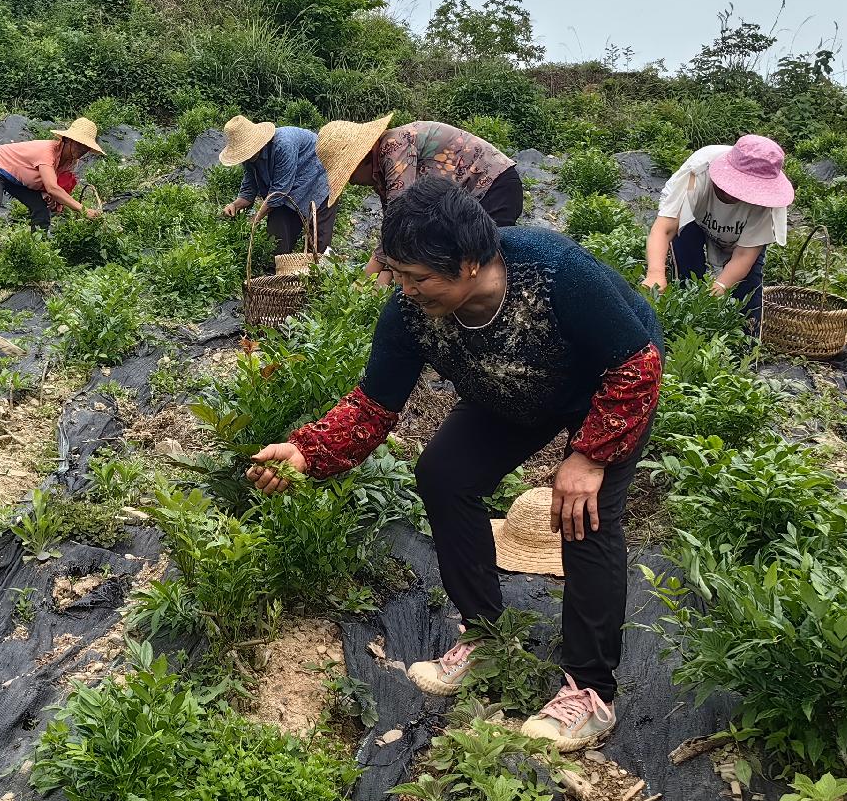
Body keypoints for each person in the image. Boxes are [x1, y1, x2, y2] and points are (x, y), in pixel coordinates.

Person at [247, 177, 663, 751]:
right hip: (514, 387)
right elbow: (374, 403)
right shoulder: (410, 312)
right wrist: (307, 450)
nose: (406, 290)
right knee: (444, 474)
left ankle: (589, 692)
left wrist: (589, 455)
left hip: (607, 389)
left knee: (583, 514)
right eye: (398, 273)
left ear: (470, 263)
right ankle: (485, 636)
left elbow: (635, 365)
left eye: (420, 277)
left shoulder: (554, 271)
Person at [316, 115, 523, 277]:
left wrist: (366, 281)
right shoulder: (381, 170)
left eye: (349, 174)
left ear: (361, 160)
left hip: (492, 185)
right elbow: (395, 231)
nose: (352, 182)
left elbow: (398, 221)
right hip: (463, 200)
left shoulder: (394, 146)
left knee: (492, 262)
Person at [642, 135, 792, 332]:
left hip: (739, 240)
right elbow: (665, 228)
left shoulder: (766, 205)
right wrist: (655, 273)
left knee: (747, 300)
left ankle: (744, 350)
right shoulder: (698, 173)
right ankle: (682, 323)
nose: (732, 195)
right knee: (687, 274)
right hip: (695, 221)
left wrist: (718, 288)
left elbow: (744, 255)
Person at [0, 118, 106, 246]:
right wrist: (83, 210)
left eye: (86, 147)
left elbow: (51, 184)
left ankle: (36, 251)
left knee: (41, 209)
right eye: (80, 144)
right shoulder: (47, 152)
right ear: (67, 140)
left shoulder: (71, 162)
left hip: (17, 179)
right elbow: (52, 188)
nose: (83, 150)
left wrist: (48, 195)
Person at [218, 115, 332, 256]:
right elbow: (248, 190)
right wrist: (234, 205)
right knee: (277, 237)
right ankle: (280, 270)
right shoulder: (249, 159)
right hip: (288, 186)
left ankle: (319, 270)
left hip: (318, 176)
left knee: (319, 240)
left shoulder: (283, 144)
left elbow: (279, 191)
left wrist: (256, 218)